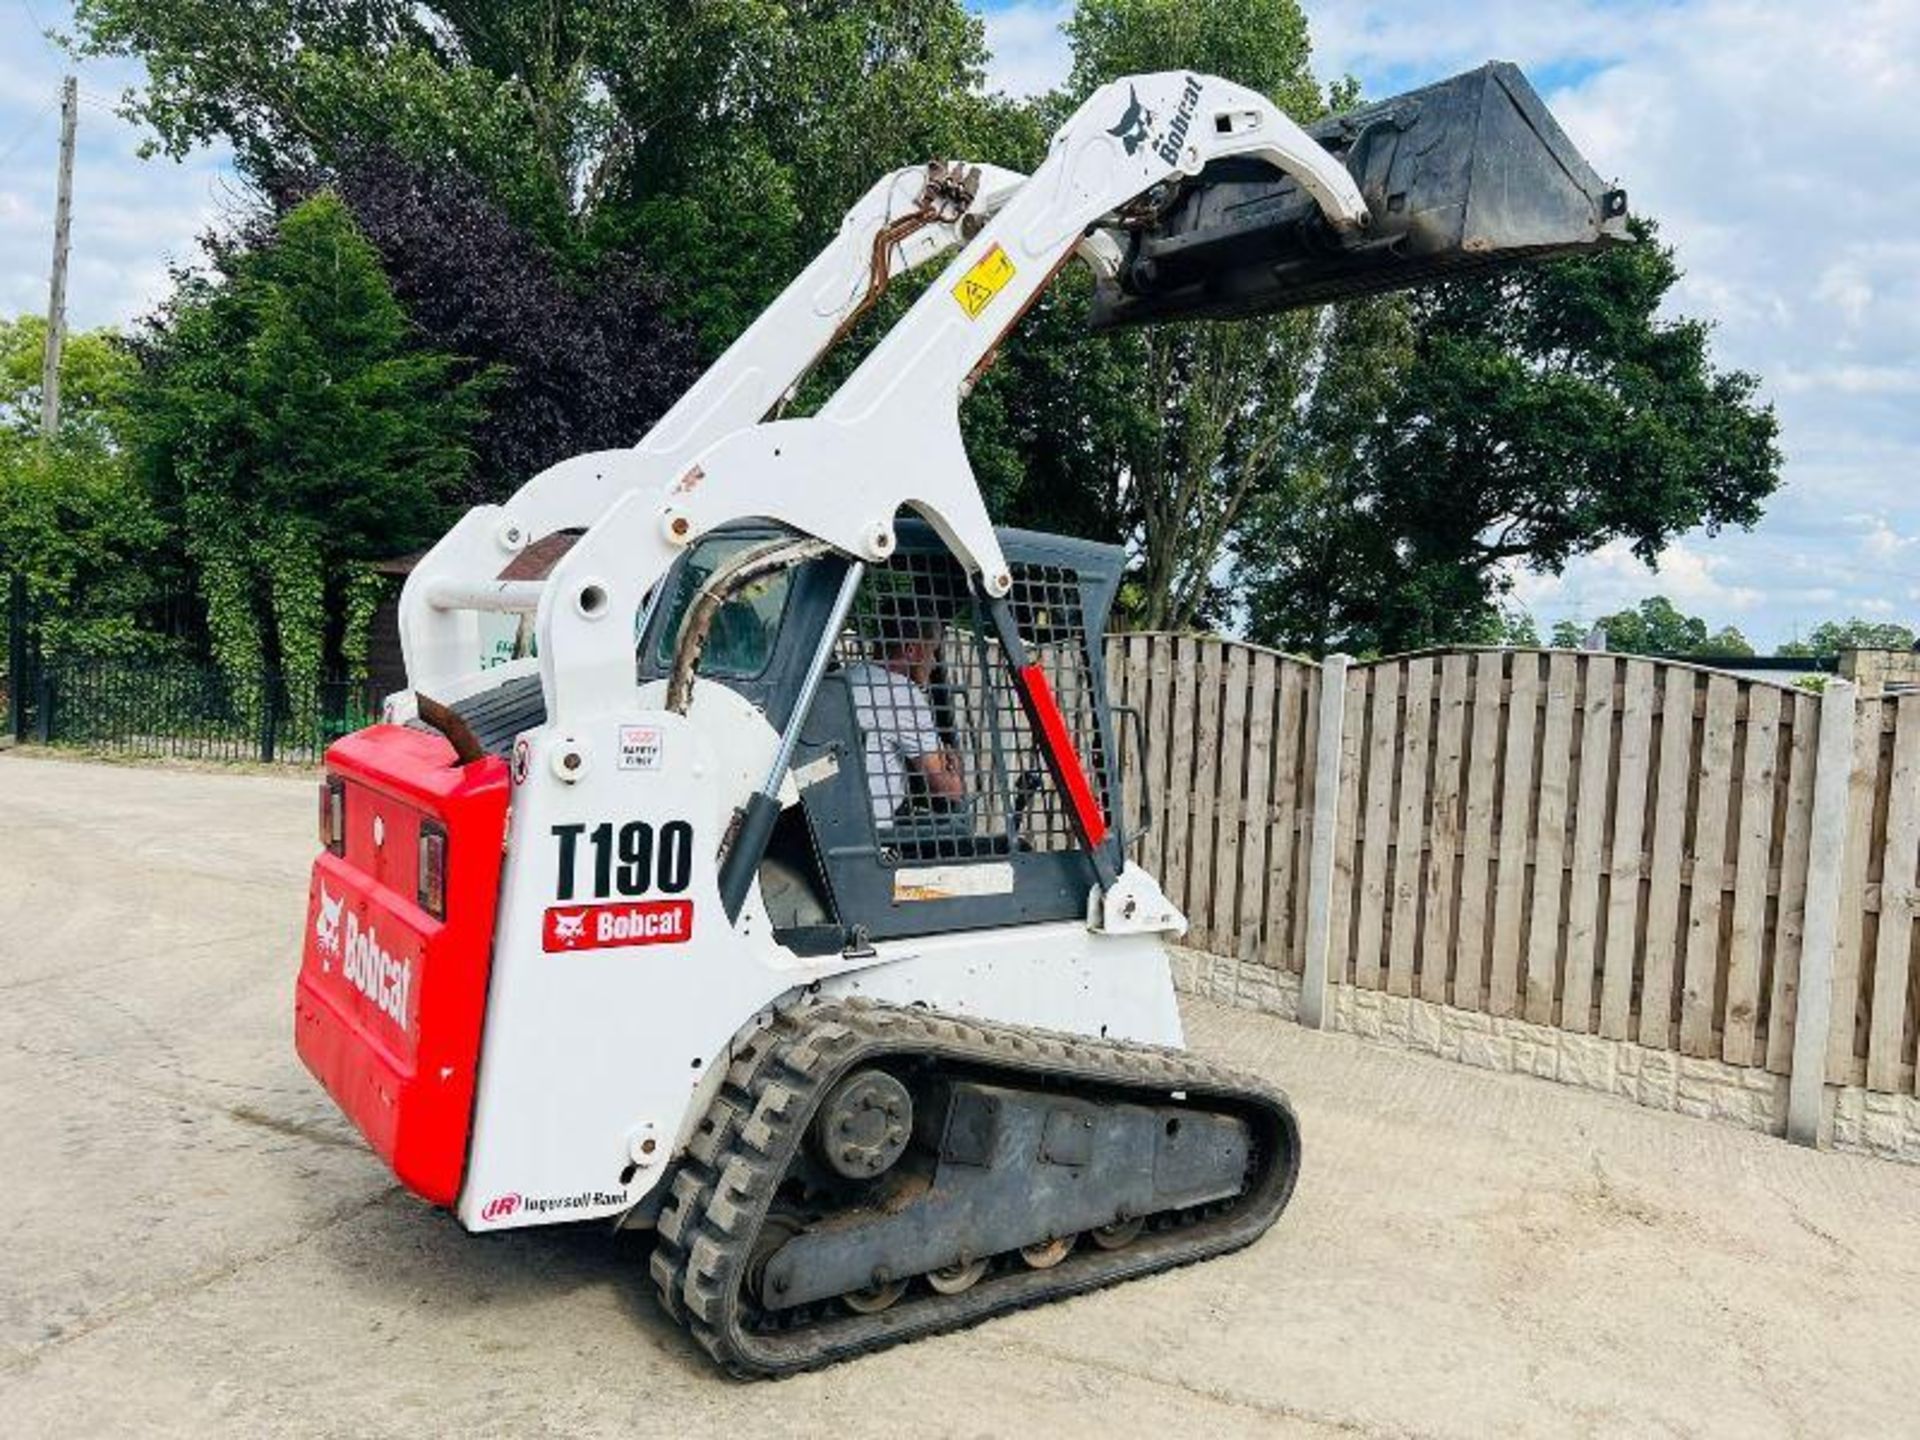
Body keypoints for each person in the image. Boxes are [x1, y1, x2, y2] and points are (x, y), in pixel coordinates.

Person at [845, 613, 965, 826]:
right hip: (878, 834)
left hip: (843, 823)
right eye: (932, 651)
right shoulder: (901, 693)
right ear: (911, 650)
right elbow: (947, 790)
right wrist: (954, 766)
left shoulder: (847, 676)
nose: (935, 663)